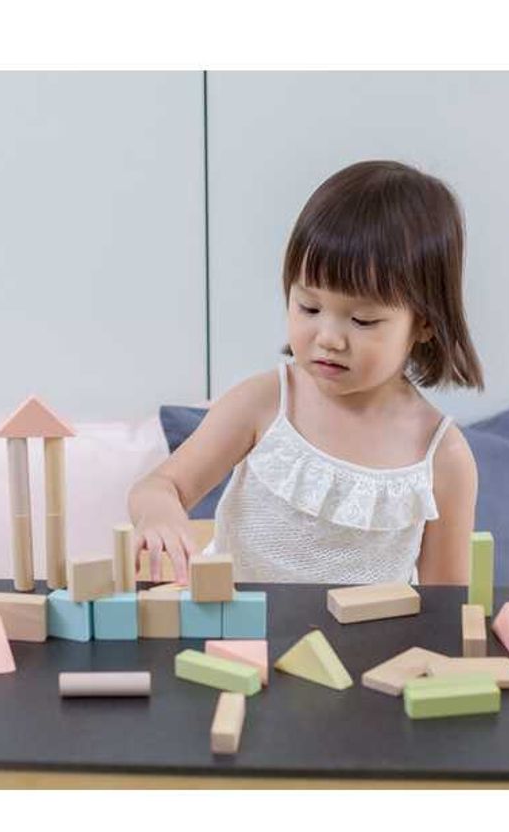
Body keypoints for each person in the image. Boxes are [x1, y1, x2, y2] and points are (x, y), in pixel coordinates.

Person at [128, 159, 485, 586]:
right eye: (309, 308)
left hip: (374, 634)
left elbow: (445, 606)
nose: (329, 338)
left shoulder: (443, 457)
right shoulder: (265, 403)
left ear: (424, 323)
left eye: (363, 320)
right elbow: (160, 486)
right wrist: (160, 513)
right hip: (238, 627)